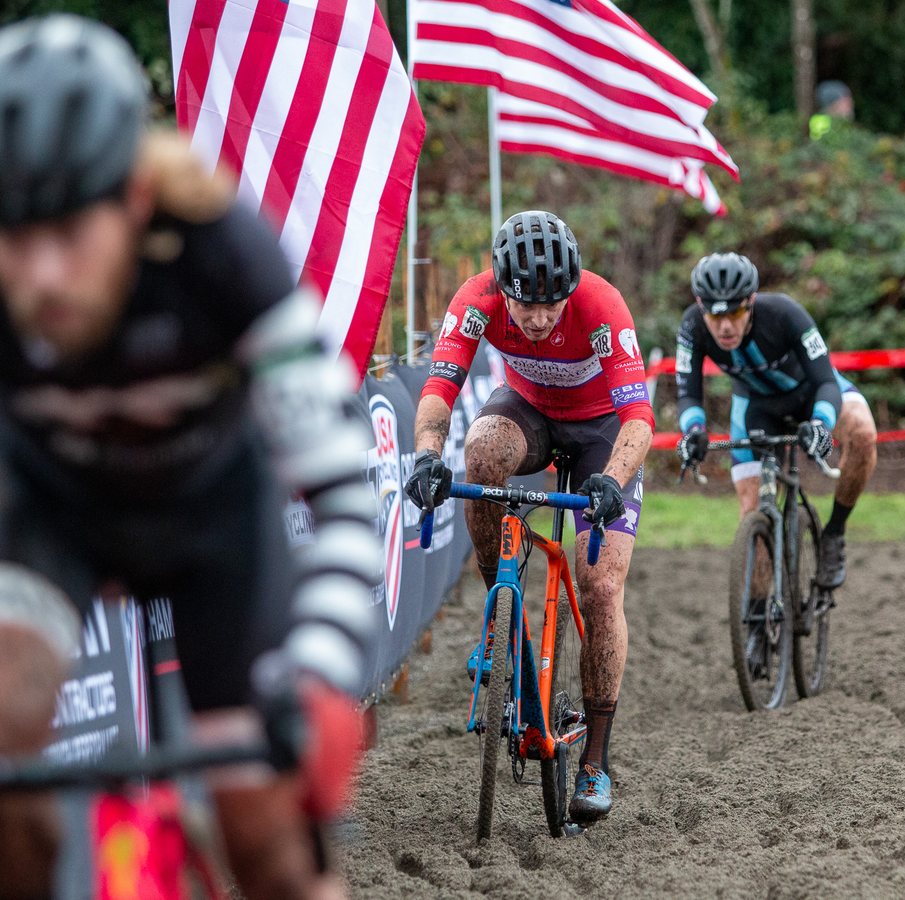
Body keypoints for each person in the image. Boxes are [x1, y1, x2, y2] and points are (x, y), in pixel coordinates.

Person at [0, 15, 379, 899]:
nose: (44, 277)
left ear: (133, 197)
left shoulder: (226, 252)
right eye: (16, 240)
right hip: (51, 518)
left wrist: (318, 673)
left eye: (70, 233)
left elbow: (342, 493)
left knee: (265, 834)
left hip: (216, 527)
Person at [405, 210, 653, 823]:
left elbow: (640, 421)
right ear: (501, 287)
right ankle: (501, 618)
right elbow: (440, 390)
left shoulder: (601, 305)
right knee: (482, 447)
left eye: (552, 304)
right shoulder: (477, 299)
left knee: (599, 589)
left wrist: (612, 483)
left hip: (603, 435)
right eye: (525, 306)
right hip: (531, 416)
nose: (540, 319)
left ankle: (595, 758)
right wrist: (427, 457)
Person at [675, 253, 877, 592]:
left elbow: (827, 380)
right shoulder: (692, 325)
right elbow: (689, 392)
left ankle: (834, 534)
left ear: (750, 302)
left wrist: (822, 423)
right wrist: (693, 432)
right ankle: (757, 621)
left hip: (813, 393)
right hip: (757, 408)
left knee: (863, 433)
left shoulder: (785, 312)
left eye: (735, 312)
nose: (725, 326)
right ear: (700, 305)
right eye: (714, 313)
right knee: (752, 514)